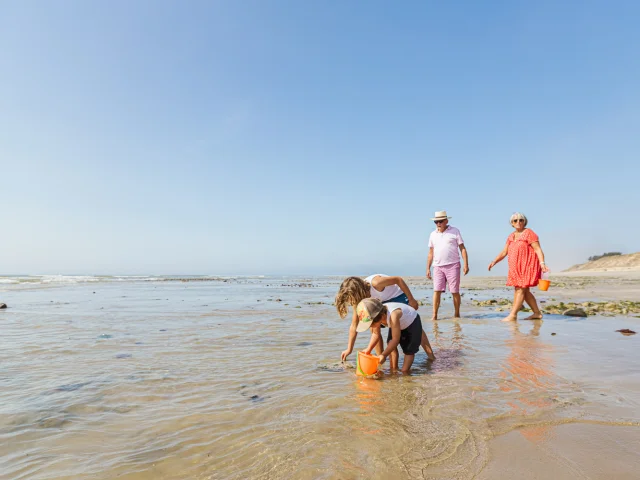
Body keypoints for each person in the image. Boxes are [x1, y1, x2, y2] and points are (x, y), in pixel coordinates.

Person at [336, 275, 434, 361]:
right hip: (378, 302)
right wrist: (349, 349)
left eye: (355, 300)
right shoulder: (359, 300)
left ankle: (430, 356)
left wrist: (411, 299)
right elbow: (354, 325)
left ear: (360, 292)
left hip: (397, 297)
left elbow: (398, 279)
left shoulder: (376, 282)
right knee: (373, 326)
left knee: (412, 325)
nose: (355, 302)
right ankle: (381, 358)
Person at [488, 212, 550, 322]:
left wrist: (542, 263)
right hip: (515, 267)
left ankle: (513, 315)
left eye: (521, 220)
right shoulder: (511, 236)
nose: (518, 222)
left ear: (524, 221)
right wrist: (494, 261)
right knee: (524, 291)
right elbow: (504, 252)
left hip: (527, 265)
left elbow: (538, 249)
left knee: (520, 289)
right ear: (511, 223)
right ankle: (537, 313)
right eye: (515, 220)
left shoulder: (529, 233)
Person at [358, 298, 435, 373]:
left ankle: (405, 371)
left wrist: (383, 355)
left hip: (411, 321)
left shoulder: (393, 315)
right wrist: (368, 349)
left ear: (381, 316)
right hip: (397, 324)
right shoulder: (377, 313)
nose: (370, 326)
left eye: (371, 324)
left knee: (409, 349)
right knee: (390, 344)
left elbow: (395, 340)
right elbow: (375, 334)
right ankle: (394, 369)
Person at [426, 211, 469, 320]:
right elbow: (431, 252)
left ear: (446, 221)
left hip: (453, 265)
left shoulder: (454, 231)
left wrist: (466, 264)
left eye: (440, 221)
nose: (438, 224)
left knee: (454, 291)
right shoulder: (433, 234)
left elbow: (462, 248)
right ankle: (434, 315)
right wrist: (428, 268)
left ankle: (457, 314)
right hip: (437, 266)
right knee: (436, 290)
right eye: (436, 222)